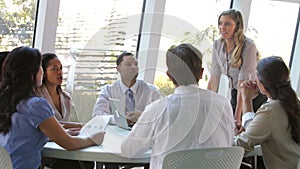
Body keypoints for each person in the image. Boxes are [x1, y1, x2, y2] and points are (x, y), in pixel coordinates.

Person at [121, 44, 235, 169]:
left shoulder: (158, 109)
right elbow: (227, 143)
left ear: (169, 76)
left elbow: (128, 150)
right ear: (201, 73)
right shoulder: (223, 104)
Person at [0, 46, 105, 169]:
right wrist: (94, 138)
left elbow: (22, 137)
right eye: (40, 66)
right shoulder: (36, 105)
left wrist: (61, 134)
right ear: (31, 72)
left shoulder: (7, 100)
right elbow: (70, 144)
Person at [234, 56, 300, 169]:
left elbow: (241, 145)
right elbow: (256, 129)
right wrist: (247, 100)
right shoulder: (293, 103)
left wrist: (229, 136)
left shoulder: (270, 111)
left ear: (262, 85)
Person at [207, 9, 267, 131]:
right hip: (236, 94)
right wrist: (206, 106)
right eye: (220, 23)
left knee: (247, 131)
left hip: (253, 95)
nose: (222, 27)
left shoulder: (248, 46)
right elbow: (214, 79)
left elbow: (242, 84)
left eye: (227, 24)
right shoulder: (217, 45)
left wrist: (237, 117)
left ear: (237, 26)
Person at [36, 53, 94, 169]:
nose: (59, 72)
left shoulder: (66, 97)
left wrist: (83, 127)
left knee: (88, 162)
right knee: (72, 164)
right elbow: (52, 125)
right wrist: (80, 126)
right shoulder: (37, 99)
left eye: (61, 68)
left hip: (64, 143)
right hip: (47, 147)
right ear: (43, 73)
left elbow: (66, 124)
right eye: (54, 69)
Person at [92, 52, 162, 125]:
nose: (134, 67)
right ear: (118, 69)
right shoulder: (108, 91)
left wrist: (143, 117)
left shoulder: (152, 91)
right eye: (128, 64)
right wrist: (122, 120)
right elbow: (97, 116)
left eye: (136, 64)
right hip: (115, 135)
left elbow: (163, 115)